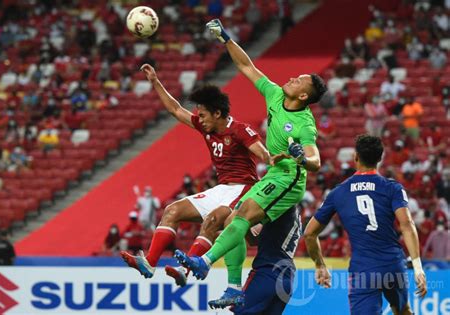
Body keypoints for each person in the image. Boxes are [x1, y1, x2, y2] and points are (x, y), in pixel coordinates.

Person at [175, 18, 326, 309]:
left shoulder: (304, 124)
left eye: (298, 81)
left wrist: (299, 156)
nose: (292, 79)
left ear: (304, 96)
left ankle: (204, 262)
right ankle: (231, 286)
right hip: (272, 173)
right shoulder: (276, 94)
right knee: (235, 218)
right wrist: (226, 38)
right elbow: (247, 66)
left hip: (290, 179)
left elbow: (316, 161)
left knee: (241, 215)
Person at [120, 63, 270, 289]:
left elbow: (263, 153)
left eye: (203, 115)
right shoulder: (206, 126)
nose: (200, 119)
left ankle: (184, 270)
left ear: (217, 113)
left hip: (244, 188)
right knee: (172, 210)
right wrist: (155, 82)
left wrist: (273, 159)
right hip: (222, 188)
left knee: (213, 220)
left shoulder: (240, 130)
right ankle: (149, 263)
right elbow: (176, 110)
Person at [303, 135, 427, 315]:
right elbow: (407, 224)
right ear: (379, 158)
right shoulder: (392, 188)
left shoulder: (338, 193)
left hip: (363, 269)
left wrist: (320, 265)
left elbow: (309, 233)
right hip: (392, 264)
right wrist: (418, 267)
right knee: (403, 310)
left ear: (355, 157)